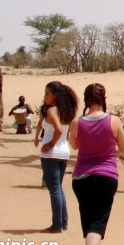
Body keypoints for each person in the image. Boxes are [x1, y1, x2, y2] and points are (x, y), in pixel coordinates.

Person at [68, 83, 124, 245]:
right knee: (97, 223)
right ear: (103, 99)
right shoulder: (114, 120)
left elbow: (74, 145)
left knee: (88, 222)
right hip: (106, 175)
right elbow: (123, 147)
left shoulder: (76, 122)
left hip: (82, 177)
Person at [34, 82, 78, 233]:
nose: (45, 97)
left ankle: (57, 225)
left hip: (52, 154)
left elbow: (58, 130)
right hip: (64, 152)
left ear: (55, 95)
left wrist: (50, 144)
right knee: (58, 188)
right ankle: (63, 221)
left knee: (54, 190)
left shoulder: (52, 110)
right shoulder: (66, 111)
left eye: (47, 94)